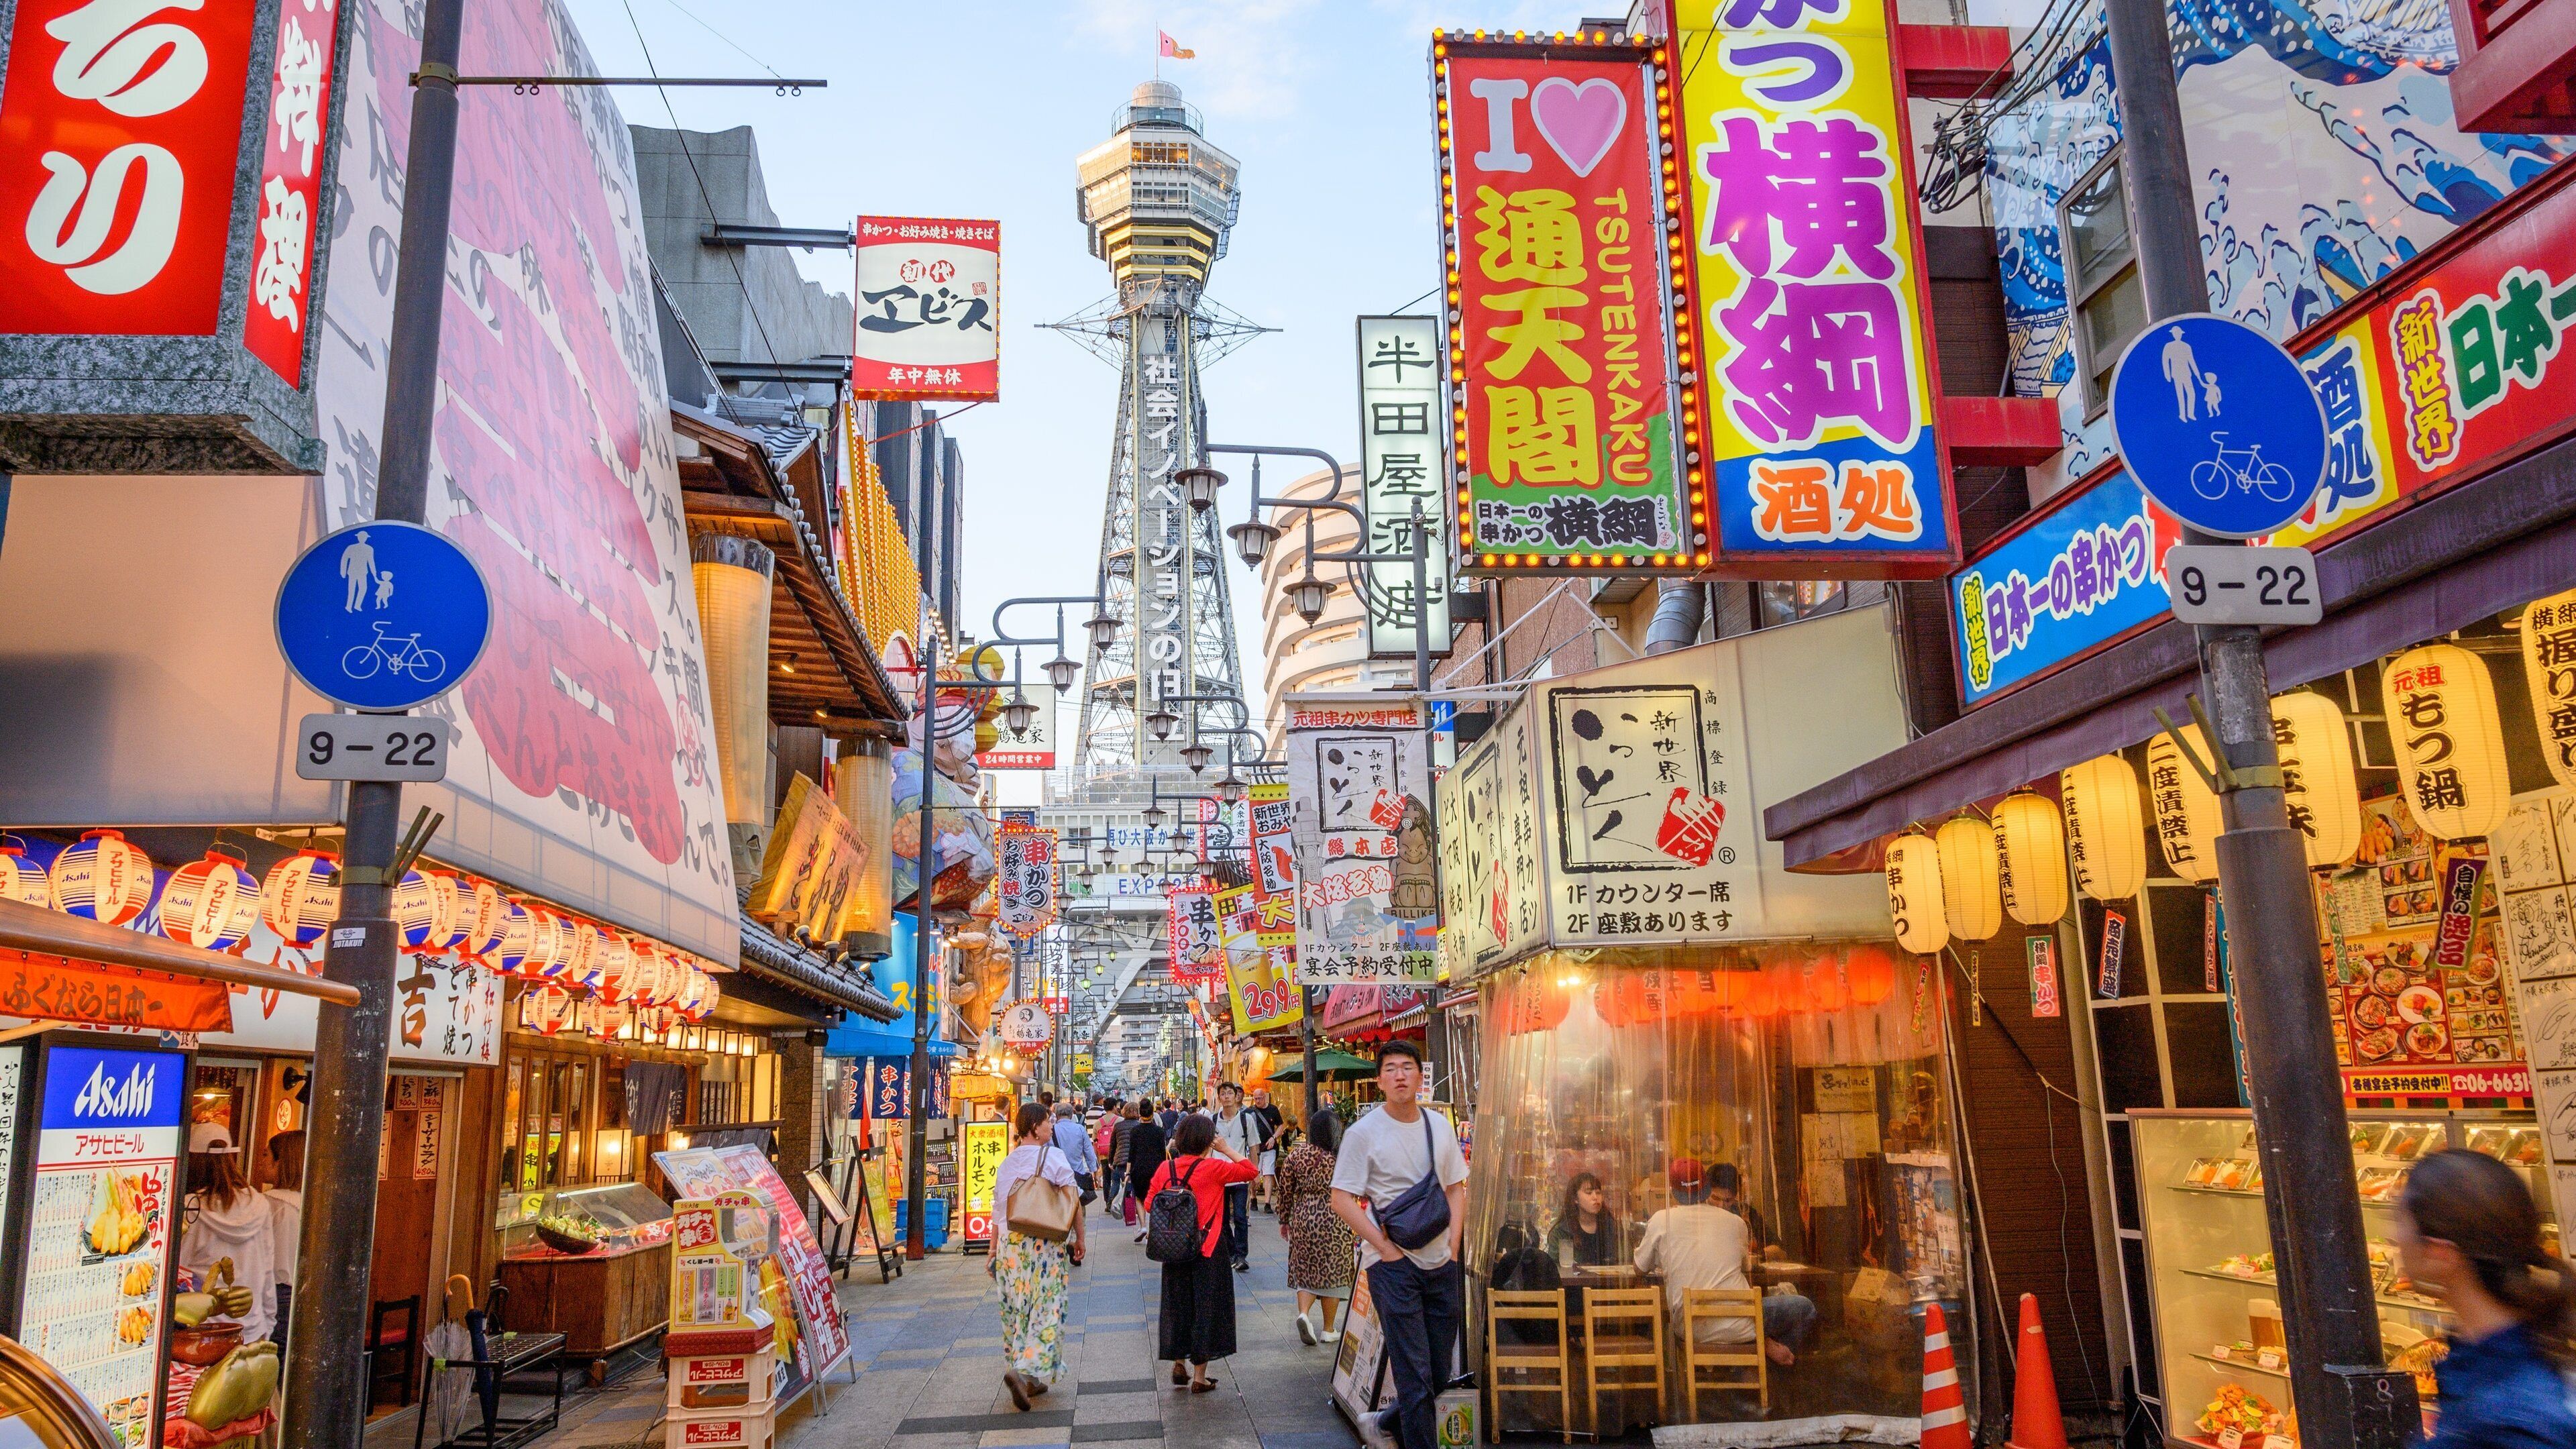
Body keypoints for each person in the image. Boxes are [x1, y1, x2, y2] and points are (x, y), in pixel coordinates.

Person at [1331, 1040, 1470, 1449]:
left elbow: (1456, 1188)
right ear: (1379, 1081)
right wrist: (1384, 1248)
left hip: (1441, 1261)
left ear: (1420, 1076)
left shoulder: (1438, 1126)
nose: (1400, 1076)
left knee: (1440, 1373)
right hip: (1392, 1266)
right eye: (1390, 1069)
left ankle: (1382, 1422)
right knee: (1415, 1376)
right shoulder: (1363, 1134)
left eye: (1407, 1067)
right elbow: (1341, 1199)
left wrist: (1455, 1244)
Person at [2392, 1150, 2576, 1448]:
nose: (2394, 1237)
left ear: (2440, 1252)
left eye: (2399, 1218)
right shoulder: (2497, 1367)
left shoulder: (2510, 1412)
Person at [1632, 1159, 1813, 1368]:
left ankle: (1757, 1356)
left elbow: (1639, 1268)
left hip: (1690, 1326)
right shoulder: (1736, 1223)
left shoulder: (1661, 1219)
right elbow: (1746, 1266)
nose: (1722, 1204)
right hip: (1741, 1323)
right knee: (1804, 1307)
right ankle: (1764, 1363)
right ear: (1706, 1188)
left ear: (1673, 1192)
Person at [1144, 1114, 1258, 1391]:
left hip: (1174, 1251)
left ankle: (1178, 1363)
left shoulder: (1166, 1168)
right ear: (1209, 1140)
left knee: (1178, 1306)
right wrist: (1227, 1149)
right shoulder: (1215, 1168)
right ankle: (1199, 1377)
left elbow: (1149, 1204)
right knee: (1206, 1308)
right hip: (1208, 1248)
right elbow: (1250, 1171)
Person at [991, 1101, 1085, 1410]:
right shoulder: (1053, 1156)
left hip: (1009, 1247)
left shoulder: (1007, 1163)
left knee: (1018, 1311)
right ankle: (1021, 1372)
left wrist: (992, 1251)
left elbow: (998, 1213)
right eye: (1048, 1121)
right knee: (1048, 1308)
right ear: (1034, 1127)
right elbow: (1073, 1201)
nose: (1051, 1125)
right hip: (1043, 1245)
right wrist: (1080, 1237)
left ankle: (1031, 1381)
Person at [179, 1122, 282, 1344]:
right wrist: (268, 1323)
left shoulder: (190, 1207)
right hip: (252, 1328)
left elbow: (179, 1272)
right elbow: (266, 1268)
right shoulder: (259, 1203)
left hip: (203, 1332)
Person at [1278, 1107, 1356, 1346]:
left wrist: (1284, 1220)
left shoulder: (1296, 1156)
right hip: (1335, 1217)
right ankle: (1329, 1329)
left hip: (1303, 1218)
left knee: (1306, 1271)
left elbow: (1285, 1189)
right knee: (1332, 1273)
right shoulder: (1340, 1157)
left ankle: (1304, 1314)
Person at [1212, 1083, 1260, 1271]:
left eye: (1229, 1093)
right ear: (1219, 1097)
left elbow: (1254, 1146)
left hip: (1240, 1175)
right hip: (1219, 1176)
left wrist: (1255, 1171)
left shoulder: (1246, 1119)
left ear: (1236, 1096)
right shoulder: (1213, 1120)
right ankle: (1231, 1252)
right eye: (1223, 1094)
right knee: (1222, 1219)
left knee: (1240, 1217)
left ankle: (1241, 1255)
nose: (1226, 1097)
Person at [1547, 1172, 1620, 1267]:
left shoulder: (1612, 1228)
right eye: (1589, 1193)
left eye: (1598, 1193)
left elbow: (1626, 1262)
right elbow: (1554, 1270)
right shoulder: (1562, 1232)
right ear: (1575, 1199)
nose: (1595, 1198)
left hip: (1608, 1281)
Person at [1126, 1103, 1168, 1238]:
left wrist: (1128, 1172)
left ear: (1140, 1114)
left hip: (1138, 1168)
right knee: (1155, 1197)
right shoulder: (1159, 1131)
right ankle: (1152, 1228)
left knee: (1139, 1197)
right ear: (1152, 1114)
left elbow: (1131, 1154)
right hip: (1156, 1169)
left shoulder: (1135, 1131)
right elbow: (1163, 1152)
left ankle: (1143, 1226)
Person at [1051, 1100, 1099, 1205]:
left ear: (1056, 1114)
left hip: (1057, 1177)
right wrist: (1095, 1173)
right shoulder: (1080, 1129)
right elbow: (1089, 1153)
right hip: (1078, 1176)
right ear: (1071, 1114)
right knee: (1078, 1209)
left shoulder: (1052, 1131)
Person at [1249, 1088, 1285, 1212]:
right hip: (1255, 1149)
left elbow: (1281, 1125)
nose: (1258, 1101)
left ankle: (1267, 1203)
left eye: (1260, 1098)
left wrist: (1274, 1137)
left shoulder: (1273, 1110)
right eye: (1255, 1099)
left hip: (1269, 1148)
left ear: (1264, 1097)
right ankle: (1253, 1198)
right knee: (1254, 1174)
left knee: (1268, 1174)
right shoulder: (1251, 1112)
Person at [1109, 1101, 1142, 1218]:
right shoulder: (1139, 1126)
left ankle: (1129, 1211)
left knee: (1126, 1186)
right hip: (1136, 1161)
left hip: (1121, 1160)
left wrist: (1111, 1161)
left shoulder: (1118, 1126)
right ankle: (1134, 1210)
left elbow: (1113, 1145)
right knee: (1135, 1187)